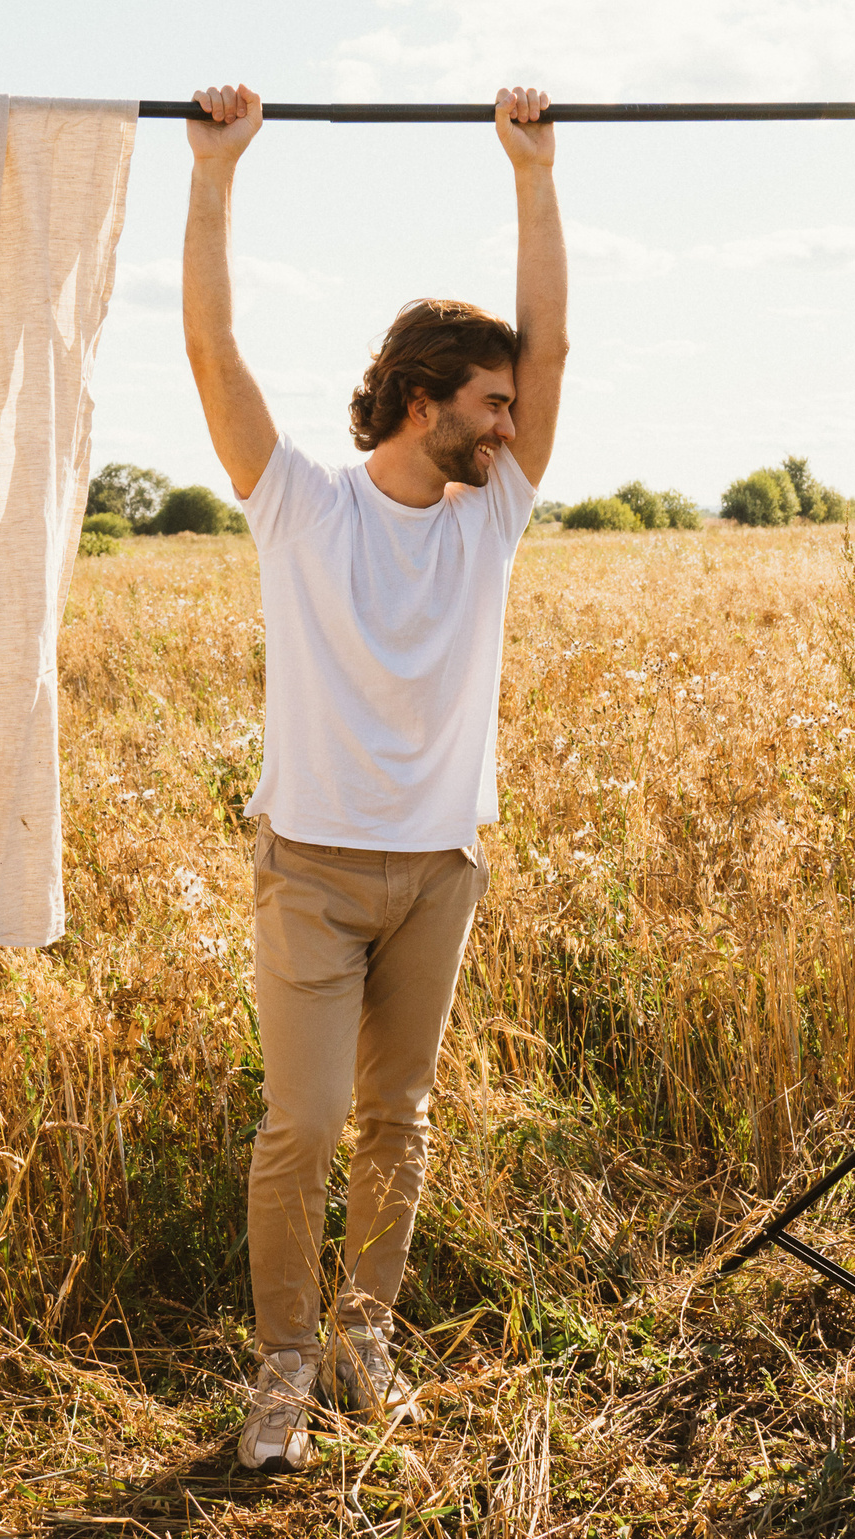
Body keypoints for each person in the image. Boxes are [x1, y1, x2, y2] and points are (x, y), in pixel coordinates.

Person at [179, 82, 567, 1471]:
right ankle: (283, 1368)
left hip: (441, 872)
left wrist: (532, 173)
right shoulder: (301, 503)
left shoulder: (495, 517)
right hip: (315, 868)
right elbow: (215, 351)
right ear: (422, 401)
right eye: (490, 404)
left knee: (400, 1120)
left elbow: (558, 339)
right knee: (305, 1127)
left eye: (516, 405)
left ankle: (365, 1340)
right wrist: (218, 174)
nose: (513, 426)